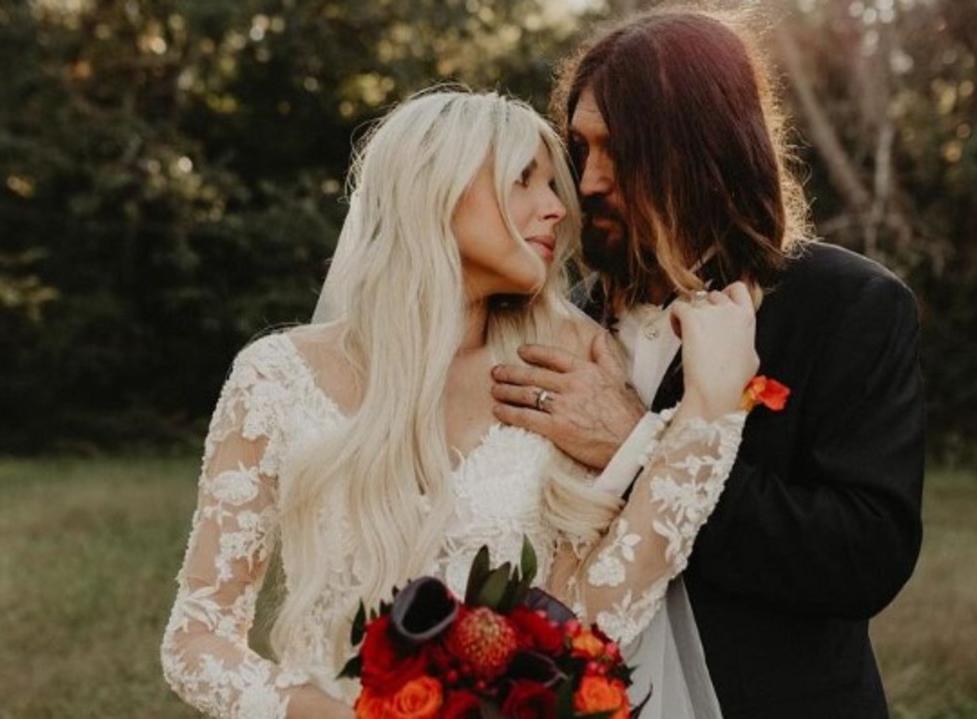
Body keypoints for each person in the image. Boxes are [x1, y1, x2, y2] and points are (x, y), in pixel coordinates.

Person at [160, 88, 761, 719]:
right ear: (434, 189)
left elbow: (593, 620)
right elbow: (197, 639)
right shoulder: (275, 379)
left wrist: (709, 412)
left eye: (552, 184)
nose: (558, 207)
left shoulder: (566, 367)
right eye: (523, 180)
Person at [491, 9, 925, 718]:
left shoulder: (848, 307)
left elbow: (861, 558)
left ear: (706, 151)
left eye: (621, 151)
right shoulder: (557, 319)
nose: (591, 181)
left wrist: (639, 444)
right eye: (581, 148)